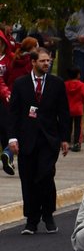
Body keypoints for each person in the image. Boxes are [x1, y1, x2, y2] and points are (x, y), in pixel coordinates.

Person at [7, 46, 71, 233]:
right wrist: (12, 138)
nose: (46, 64)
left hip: (49, 140)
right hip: (26, 140)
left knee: (45, 176)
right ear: (33, 62)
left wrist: (65, 138)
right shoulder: (20, 84)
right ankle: (31, 220)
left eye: (48, 60)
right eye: (42, 61)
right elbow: (14, 113)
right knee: (28, 179)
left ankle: (48, 215)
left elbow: (64, 112)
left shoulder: (57, 83)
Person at [65, 67, 84, 151]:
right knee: (78, 127)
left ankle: (67, 142)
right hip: (78, 108)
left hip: (68, 108)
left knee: (68, 126)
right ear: (78, 75)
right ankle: (77, 143)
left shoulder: (65, 84)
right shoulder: (82, 85)